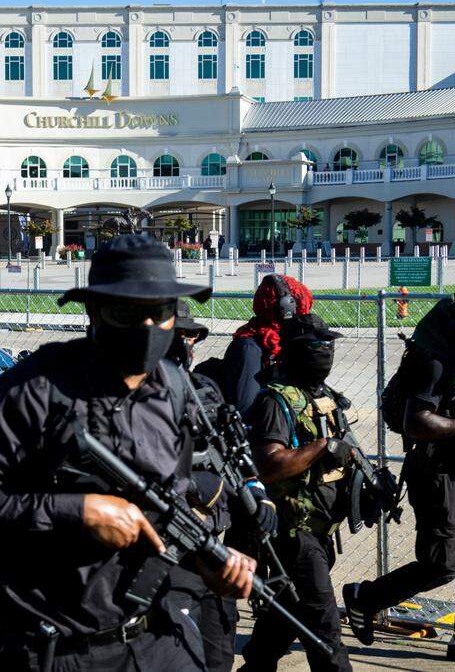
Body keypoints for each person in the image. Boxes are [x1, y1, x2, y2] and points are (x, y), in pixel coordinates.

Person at [0, 235, 256, 671]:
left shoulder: (176, 390)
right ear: (94, 311)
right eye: (126, 312)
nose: (147, 327)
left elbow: (173, 502)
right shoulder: (34, 389)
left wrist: (211, 563)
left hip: (157, 636)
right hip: (59, 648)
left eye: (161, 312)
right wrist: (80, 510)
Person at [342, 291, 455, 666]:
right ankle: (365, 598)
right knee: (440, 565)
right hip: (438, 477)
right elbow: (416, 422)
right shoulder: (438, 364)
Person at [166, 299, 278, 672]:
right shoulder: (136, 397)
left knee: (218, 653)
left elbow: (235, 449)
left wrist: (258, 494)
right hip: (164, 550)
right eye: (179, 337)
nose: (187, 346)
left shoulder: (205, 390)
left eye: (190, 338)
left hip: (214, 543)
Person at [240, 313, 354, 672]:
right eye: (317, 346)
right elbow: (270, 464)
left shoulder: (325, 397)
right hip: (294, 531)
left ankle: (255, 666)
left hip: (322, 529)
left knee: (288, 611)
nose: (326, 352)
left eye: (329, 345)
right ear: (295, 351)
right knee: (325, 632)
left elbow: (345, 449)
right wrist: (321, 448)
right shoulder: (276, 401)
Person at [222, 274, 313, 414]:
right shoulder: (249, 349)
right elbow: (246, 409)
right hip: (266, 430)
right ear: (287, 309)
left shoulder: (291, 342)